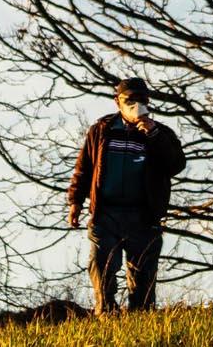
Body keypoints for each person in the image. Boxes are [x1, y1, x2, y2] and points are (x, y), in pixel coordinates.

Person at [67, 77, 185, 315]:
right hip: (106, 212)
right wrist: (75, 202)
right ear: (117, 102)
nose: (135, 105)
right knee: (103, 266)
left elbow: (176, 164)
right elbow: (84, 167)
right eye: (129, 100)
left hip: (143, 214)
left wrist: (154, 135)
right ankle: (106, 314)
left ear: (148, 102)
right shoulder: (101, 130)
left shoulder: (161, 133)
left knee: (143, 274)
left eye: (141, 100)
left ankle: (141, 319)